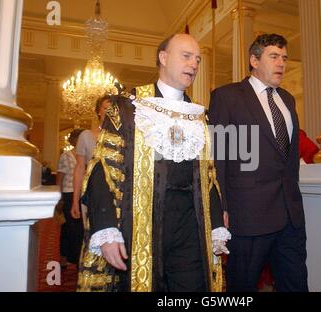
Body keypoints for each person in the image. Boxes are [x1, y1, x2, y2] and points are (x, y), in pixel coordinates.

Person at [77, 33, 230, 292]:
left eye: (197, 59)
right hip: (140, 225)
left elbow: (209, 177)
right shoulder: (128, 108)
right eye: (186, 56)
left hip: (191, 226)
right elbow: (102, 169)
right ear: (163, 57)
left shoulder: (199, 117)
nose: (193, 64)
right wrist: (105, 229)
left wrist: (215, 224)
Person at [208, 33, 308, 292]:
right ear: (254, 60)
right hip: (248, 215)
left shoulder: (287, 99)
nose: (281, 64)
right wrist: (221, 207)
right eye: (273, 57)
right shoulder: (227, 96)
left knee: (296, 283)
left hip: (290, 214)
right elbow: (219, 156)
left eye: (284, 58)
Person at [70, 95, 111, 222]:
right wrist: (75, 200)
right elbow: (80, 168)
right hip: (92, 191)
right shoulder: (86, 136)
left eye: (113, 109)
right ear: (99, 111)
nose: (109, 112)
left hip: (116, 194)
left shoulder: (124, 138)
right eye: (106, 108)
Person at [56, 128, 85, 268]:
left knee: (78, 228)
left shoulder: (86, 155)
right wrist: (59, 198)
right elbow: (59, 179)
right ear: (74, 141)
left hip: (83, 195)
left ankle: (74, 257)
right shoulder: (66, 156)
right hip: (68, 194)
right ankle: (68, 257)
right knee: (69, 227)